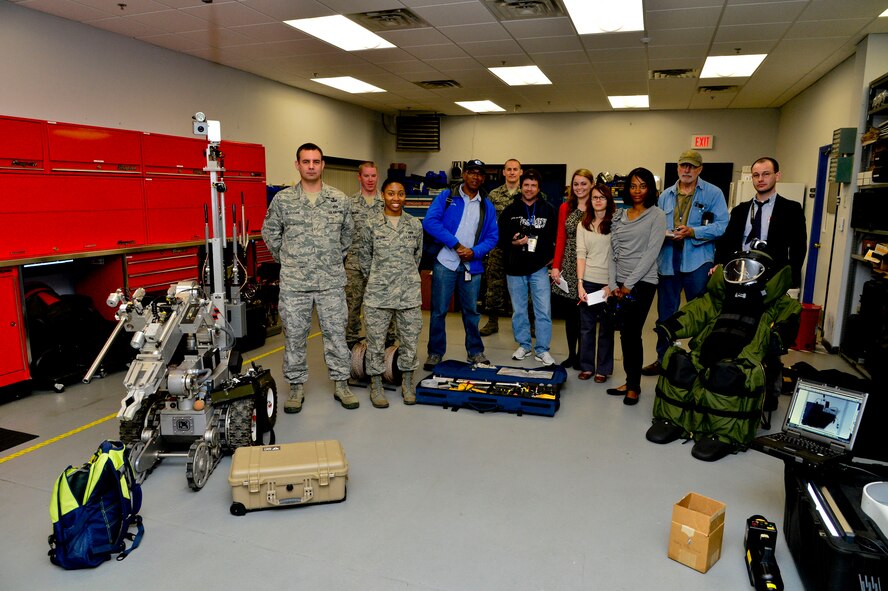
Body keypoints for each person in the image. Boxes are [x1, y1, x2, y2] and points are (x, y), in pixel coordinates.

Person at [262, 142, 359, 413]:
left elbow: (347, 236)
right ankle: (295, 387)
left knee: (336, 334)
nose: (312, 166)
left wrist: (329, 259)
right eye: (306, 161)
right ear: (298, 165)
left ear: (323, 164)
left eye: (316, 161)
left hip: (330, 282)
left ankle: (341, 384)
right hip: (295, 283)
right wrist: (289, 260)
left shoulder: (339, 200)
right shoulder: (283, 200)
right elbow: (270, 233)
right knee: (294, 335)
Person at [642, 150, 728, 377]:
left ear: (700, 169)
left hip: (698, 261)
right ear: (678, 168)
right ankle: (663, 359)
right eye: (683, 166)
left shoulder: (713, 193)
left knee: (700, 313)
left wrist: (693, 232)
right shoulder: (666, 196)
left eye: (692, 167)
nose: (687, 170)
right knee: (666, 315)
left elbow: (723, 226)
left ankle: (701, 361)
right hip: (669, 261)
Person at [422, 159, 499, 370]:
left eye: (480, 174)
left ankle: (475, 352)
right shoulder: (447, 197)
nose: (476, 177)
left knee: (471, 312)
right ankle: (435, 353)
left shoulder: (486, 205)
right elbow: (430, 222)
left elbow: (493, 237)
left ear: (483, 178)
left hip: (471, 266)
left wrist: (474, 252)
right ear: (464, 174)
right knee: (438, 311)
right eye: (472, 172)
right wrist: (456, 245)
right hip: (445, 263)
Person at [357, 178, 424, 407]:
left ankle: (407, 382)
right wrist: (379, 278)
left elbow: (417, 257)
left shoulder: (415, 225)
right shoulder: (370, 224)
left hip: (408, 294)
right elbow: (364, 259)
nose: (396, 198)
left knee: (410, 341)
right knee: (375, 342)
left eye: (401, 194)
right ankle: (376, 385)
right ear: (382, 196)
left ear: (405, 197)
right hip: (378, 294)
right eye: (391, 193)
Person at [606, 167, 667, 406]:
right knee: (624, 333)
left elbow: (651, 253)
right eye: (633, 186)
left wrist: (628, 284)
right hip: (619, 282)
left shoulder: (657, 215)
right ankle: (631, 381)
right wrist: (613, 283)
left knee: (633, 332)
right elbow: (613, 251)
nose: (638, 191)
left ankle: (634, 387)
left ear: (650, 189)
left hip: (642, 283)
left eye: (643, 186)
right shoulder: (620, 215)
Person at [716, 157, 807, 288]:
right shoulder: (740, 210)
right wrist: (719, 265)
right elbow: (727, 241)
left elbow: (798, 248)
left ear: (777, 176)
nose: (760, 179)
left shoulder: (791, 209)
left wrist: (789, 277)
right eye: (756, 175)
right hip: (740, 274)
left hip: (773, 277)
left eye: (766, 174)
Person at [499, 169, 558, 366]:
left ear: (539, 188)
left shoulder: (548, 209)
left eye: (533, 185)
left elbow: (556, 237)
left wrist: (552, 257)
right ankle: (524, 345)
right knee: (519, 310)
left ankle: (542, 349)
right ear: (521, 186)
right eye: (526, 185)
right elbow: (500, 239)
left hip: (539, 268)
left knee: (543, 310)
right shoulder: (510, 210)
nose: (529, 188)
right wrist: (512, 242)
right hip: (515, 268)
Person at [550, 168, 594, 368]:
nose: (579, 187)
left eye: (584, 183)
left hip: (591, 264)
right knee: (571, 315)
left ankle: (585, 357)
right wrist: (556, 267)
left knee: (587, 314)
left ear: (592, 184)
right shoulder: (565, 207)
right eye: (576, 184)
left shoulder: (597, 206)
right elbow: (560, 237)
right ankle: (572, 355)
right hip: (568, 263)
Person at [576, 183, 616, 382]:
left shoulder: (616, 223)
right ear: (590, 201)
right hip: (589, 282)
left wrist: (612, 284)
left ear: (608, 200)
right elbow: (581, 255)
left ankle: (603, 369)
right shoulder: (583, 224)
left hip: (607, 285)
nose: (598, 200)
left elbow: (618, 256)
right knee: (587, 327)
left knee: (607, 329)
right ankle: (586, 366)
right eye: (594, 197)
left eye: (602, 197)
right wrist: (580, 283)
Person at [481, 158, 522, 336]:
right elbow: (487, 223)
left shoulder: (527, 193)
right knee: (494, 286)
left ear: (520, 172)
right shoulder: (493, 195)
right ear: (504, 172)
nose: (512, 172)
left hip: (521, 250)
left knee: (524, 288)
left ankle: (529, 323)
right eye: (509, 169)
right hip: (498, 248)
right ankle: (492, 322)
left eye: (515, 169)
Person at [344, 161, 383, 350]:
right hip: (354, 265)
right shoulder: (349, 204)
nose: (370, 180)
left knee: (380, 307)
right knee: (352, 306)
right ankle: (351, 343)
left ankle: (383, 343)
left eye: (373, 176)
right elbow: (342, 234)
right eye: (366, 176)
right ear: (359, 177)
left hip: (379, 265)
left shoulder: (387, 203)